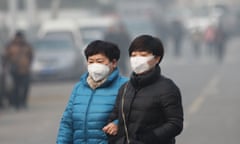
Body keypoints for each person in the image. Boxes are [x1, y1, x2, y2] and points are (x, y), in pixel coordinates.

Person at [104, 35, 184, 144]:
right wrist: (113, 126)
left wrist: (149, 138)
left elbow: (175, 123)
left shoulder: (167, 88)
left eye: (143, 55)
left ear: (157, 58)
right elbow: (115, 115)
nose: (137, 59)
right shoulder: (125, 88)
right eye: (134, 55)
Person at [56, 40, 128, 144]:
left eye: (99, 61)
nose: (95, 66)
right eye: (91, 62)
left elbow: (133, 117)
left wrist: (117, 124)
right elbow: (67, 123)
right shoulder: (79, 88)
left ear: (113, 63)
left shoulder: (125, 86)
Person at [4, 31, 33, 110]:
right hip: (15, 71)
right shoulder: (10, 45)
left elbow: (31, 56)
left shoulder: (26, 45)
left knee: (25, 87)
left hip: (25, 70)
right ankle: (16, 104)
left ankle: (23, 103)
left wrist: (28, 65)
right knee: (15, 88)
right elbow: (6, 57)